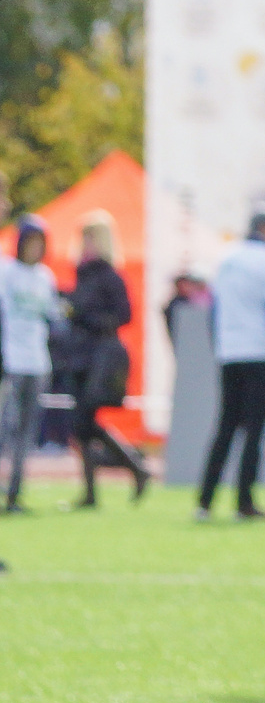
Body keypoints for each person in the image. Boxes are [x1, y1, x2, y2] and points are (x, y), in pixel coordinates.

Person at [195, 210, 265, 522]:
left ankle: (205, 501)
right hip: (261, 351)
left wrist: (220, 347)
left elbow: (214, 310)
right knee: (254, 430)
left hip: (230, 351)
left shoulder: (227, 258)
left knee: (225, 427)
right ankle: (244, 503)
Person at [63, 210, 149, 507]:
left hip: (99, 355)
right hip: (79, 356)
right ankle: (96, 489)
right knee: (82, 425)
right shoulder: (82, 275)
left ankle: (133, 466)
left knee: (84, 422)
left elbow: (124, 315)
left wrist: (87, 317)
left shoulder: (111, 276)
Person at [3, 214, 59, 515]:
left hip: (37, 361)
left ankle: (15, 492)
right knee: (6, 428)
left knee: (26, 432)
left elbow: (53, 316)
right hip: (11, 360)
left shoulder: (45, 277)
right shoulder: (7, 272)